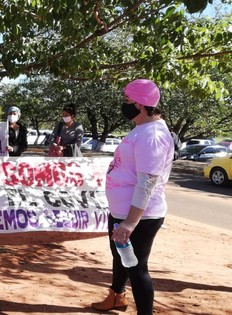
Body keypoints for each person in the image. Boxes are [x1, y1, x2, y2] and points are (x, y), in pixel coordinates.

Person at [91, 79, 174, 314]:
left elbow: (147, 182)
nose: (123, 104)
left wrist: (129, 223)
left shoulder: (153, 135)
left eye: (127, 100)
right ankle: (116, 297)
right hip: (122, 213)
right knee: (120, 257)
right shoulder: (142, 128)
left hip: (140, 217)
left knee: (136, 268)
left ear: (140, 104)